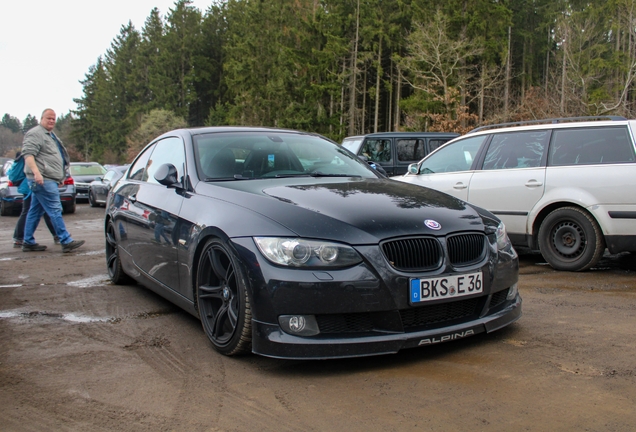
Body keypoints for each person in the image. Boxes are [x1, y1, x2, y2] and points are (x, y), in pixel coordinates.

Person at [21, 109, 84, 253]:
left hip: (49, 178)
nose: (51, 121)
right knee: (55, 209)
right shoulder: (35, 133)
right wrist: (37, 173)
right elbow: (28, 155)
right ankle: (65, 240)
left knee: (35, 211)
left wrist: (60, 177)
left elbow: (54, 157)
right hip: (42, 179)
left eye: (53, 119)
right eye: (48, 118)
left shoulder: (50, 135)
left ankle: (28, 241)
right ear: (41, 118)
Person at [9, 151, 59, 247]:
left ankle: (19, 238)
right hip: (32, 186)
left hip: (28, 186)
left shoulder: (23, 155)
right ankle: (19, 238)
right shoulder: (30, 155)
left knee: (39, 210)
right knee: (37, 211)